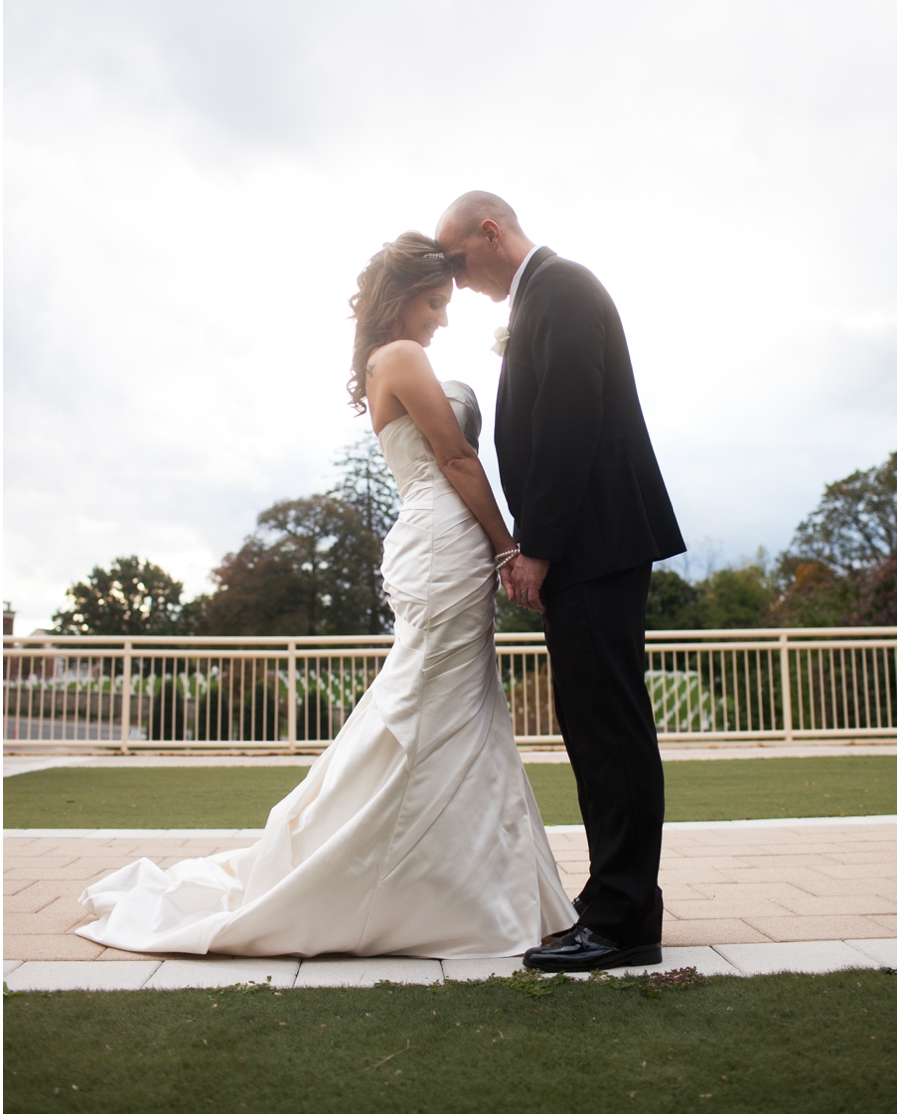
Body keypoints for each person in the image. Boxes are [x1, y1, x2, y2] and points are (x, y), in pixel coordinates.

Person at [75, 232, 573, 959]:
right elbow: (458, 457)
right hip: (445, 533)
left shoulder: (387, 360)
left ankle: (473, 884)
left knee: (460, 702)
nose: (442, 318)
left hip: (438, 534)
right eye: (435, 303)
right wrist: (507, 546)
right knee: (432, 698)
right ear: (402, 299)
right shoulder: (401, 357)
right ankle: (404, 883)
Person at [436, 191, 686, 971]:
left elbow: (572, 423)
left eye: (456, 259)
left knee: (609, 727)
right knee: (594, 726)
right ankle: (615, 900)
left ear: (491, 231)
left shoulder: (565, 288)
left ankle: (621, 917)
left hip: (595, 544)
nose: (454, 276)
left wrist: (534, 547)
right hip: (588, 546)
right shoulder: (543, 294)